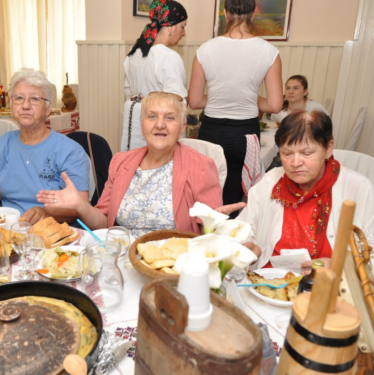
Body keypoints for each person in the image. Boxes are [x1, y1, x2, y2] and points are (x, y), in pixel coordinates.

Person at [37, 92, 223, 237]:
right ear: (142, 126)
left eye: (169, 117)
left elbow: (212, 235)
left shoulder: (200, 166)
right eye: (152, 116)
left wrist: (217, 226)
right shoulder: (121, 162)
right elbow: (104, 223)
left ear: (181, 127)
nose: (160, 124)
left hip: (173, 267)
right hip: (124, 260)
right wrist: (80, 205)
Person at [0, 68, 90, 225]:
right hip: (9, 228)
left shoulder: (69, 151)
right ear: (11, 104)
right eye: (19, 98)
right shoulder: (3, 144)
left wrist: (46, 213)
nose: (25, 105)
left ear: (48, 108)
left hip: (52, 234)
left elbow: (80, 207)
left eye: (35, 99)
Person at [238, 110, 374, 270]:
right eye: (287, 153)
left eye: (306, 153)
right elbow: (246, 227)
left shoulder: (358, 188)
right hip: (270, 282)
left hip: (329, 285)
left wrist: (341, 266)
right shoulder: (271, 181)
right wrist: (247, 244)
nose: (295, 163)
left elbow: (370, 252)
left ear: (329, 148)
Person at [188, 0, 283, 208]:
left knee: (206, 194)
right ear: (253, 14)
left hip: (211, 131)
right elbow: (276, 105)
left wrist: (216, 97)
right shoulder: (269, 52)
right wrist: (249, 98)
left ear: (225, 13)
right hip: (245, 133)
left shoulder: (205, 50)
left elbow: (194, 101)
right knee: (233, 199)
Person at [121, 0, 188, 152]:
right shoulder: (168, 57)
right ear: (171, 26)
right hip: (160, 132)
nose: (184, 33)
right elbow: (177, 105)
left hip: (138, 127)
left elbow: (128, 92)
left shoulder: (133, 55)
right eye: (182, 27)